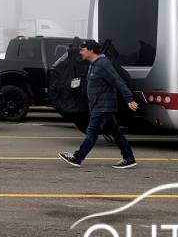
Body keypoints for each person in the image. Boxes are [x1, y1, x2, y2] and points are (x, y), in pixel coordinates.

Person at [59, 39, 139, 169]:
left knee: (92, 132)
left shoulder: (103, 64)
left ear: (90, 50)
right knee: (116, 133)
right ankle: (129, 158)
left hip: (103, 106)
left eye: (82, 49)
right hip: (98, 105)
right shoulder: (94, 64)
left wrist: (129, 99)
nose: (80, 52)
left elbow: (117, 81)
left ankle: (77, 158)